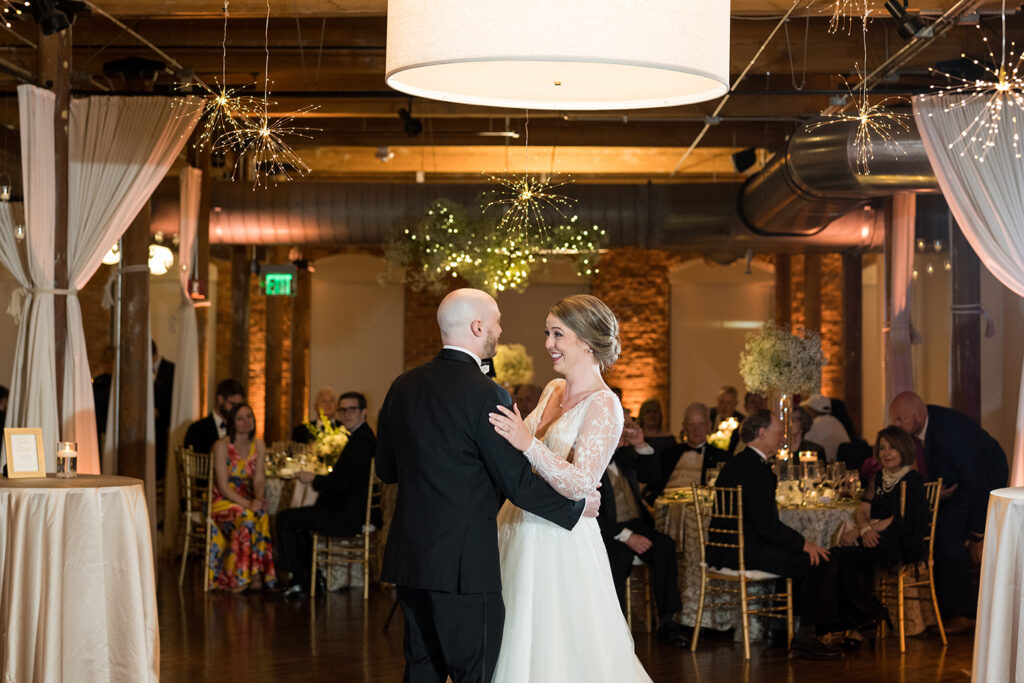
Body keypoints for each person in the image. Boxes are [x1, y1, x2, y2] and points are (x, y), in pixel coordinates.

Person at [376, 288, 599, 683]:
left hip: (410, 559)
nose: (500, 327)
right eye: (496, 320)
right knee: (473, 673)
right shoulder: (487, 395)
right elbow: (516, 485)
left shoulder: (402, 386)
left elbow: (387, 470)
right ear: (478, 327)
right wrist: (576, 509)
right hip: (464, 567)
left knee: (421, 669)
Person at [488, 294, 653, 681]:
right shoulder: (553, 390)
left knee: (554, 639)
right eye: (548, 333)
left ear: (586, 340)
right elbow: (517, 445)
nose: (548, 343)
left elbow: (580, 483)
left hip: (558, 539)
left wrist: (527, 444)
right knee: (510, 629)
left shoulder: (605, 405)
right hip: (517, 524)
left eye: (557, 334)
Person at [709, 410, 841, 660]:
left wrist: (799, 545)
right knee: (822, 560)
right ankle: (806, 636)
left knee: (802, 555)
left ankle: (782, 629)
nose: (783, 437)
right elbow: (766, 526)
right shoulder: (756, 470)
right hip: (745, 550)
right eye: (778, 431)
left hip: (729, 547)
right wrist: (805, 544)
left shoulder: (738, 463)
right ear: (761, 433)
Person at [889, 391, 1009, 634]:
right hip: (958, 485)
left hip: (985, 478)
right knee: (933, 531)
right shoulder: (922, 427)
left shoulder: (950, 432)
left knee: (948, 536)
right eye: (894, 420)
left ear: (919, 415)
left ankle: (964, 613)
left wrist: (978, 533)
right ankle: (946, 609)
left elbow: (976, 480)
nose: (896, 426)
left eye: (900, 419)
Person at [277, 391, 377, 596]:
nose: (347, 414)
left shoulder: (362, 441)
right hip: (343, 509)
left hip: (347, 516)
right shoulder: (359, 436)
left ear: (364, 412)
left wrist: (314, 479)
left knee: (285, 519)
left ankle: (299, 580)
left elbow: (343, 484)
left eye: (352, 409)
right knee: (296, 521)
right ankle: (310, 579)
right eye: (343, 410)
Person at [598, 428, 690, 649]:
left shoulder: (624, 455)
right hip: (607, 529)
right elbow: (590, 512)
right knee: (618, 558)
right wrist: (626, 537)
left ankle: (667, 622)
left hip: (637, 522)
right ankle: (615, 626)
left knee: (664, 546)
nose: (622, 435)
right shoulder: (591, 458)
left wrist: (640, 444)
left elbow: (652, 476)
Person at [208, 402, 276, 592]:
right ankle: (236, 578)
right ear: (232, 423)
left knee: (261, 514)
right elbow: (222, 485)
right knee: (246, 516)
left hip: (248, 497)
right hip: (222, 501)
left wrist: (259, 499)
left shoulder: (259, 445)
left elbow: (259, 479)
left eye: (249, 417)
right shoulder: (221, 446)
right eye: (240, 418)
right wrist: (248, 504)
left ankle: (256, 574)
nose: (246, 422)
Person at [646, 402, 729, 503]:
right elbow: (653, 484)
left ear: (709, 426)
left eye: (701, 424)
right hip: (666, 506)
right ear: (684, 427)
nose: (696, 430)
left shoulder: (722, 457)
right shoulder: (668, 454)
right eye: (691, 425)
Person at [184, 378, 245, 454]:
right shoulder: (196, 429)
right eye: (233, 405)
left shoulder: (240, 429)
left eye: (239, 406)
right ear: (220, 399)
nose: (236, 410)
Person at [802, 393, 850, 463]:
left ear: (811, 410)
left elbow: (805, 448)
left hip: (823, 467)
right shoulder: (837, 423)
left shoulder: (814, 425)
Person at [153, 341, 175, 481]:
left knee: (161, 453)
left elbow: (171, 395)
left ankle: (159, 478)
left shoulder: (170, 368)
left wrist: (159, 410)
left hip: (163, 420)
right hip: (150, 422)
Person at [709, 386, 744, 454]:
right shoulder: (708, 415)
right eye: (722, 402)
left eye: (729, 403)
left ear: (735, 404)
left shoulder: (742, 422)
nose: (724, 406)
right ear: (717, 401)